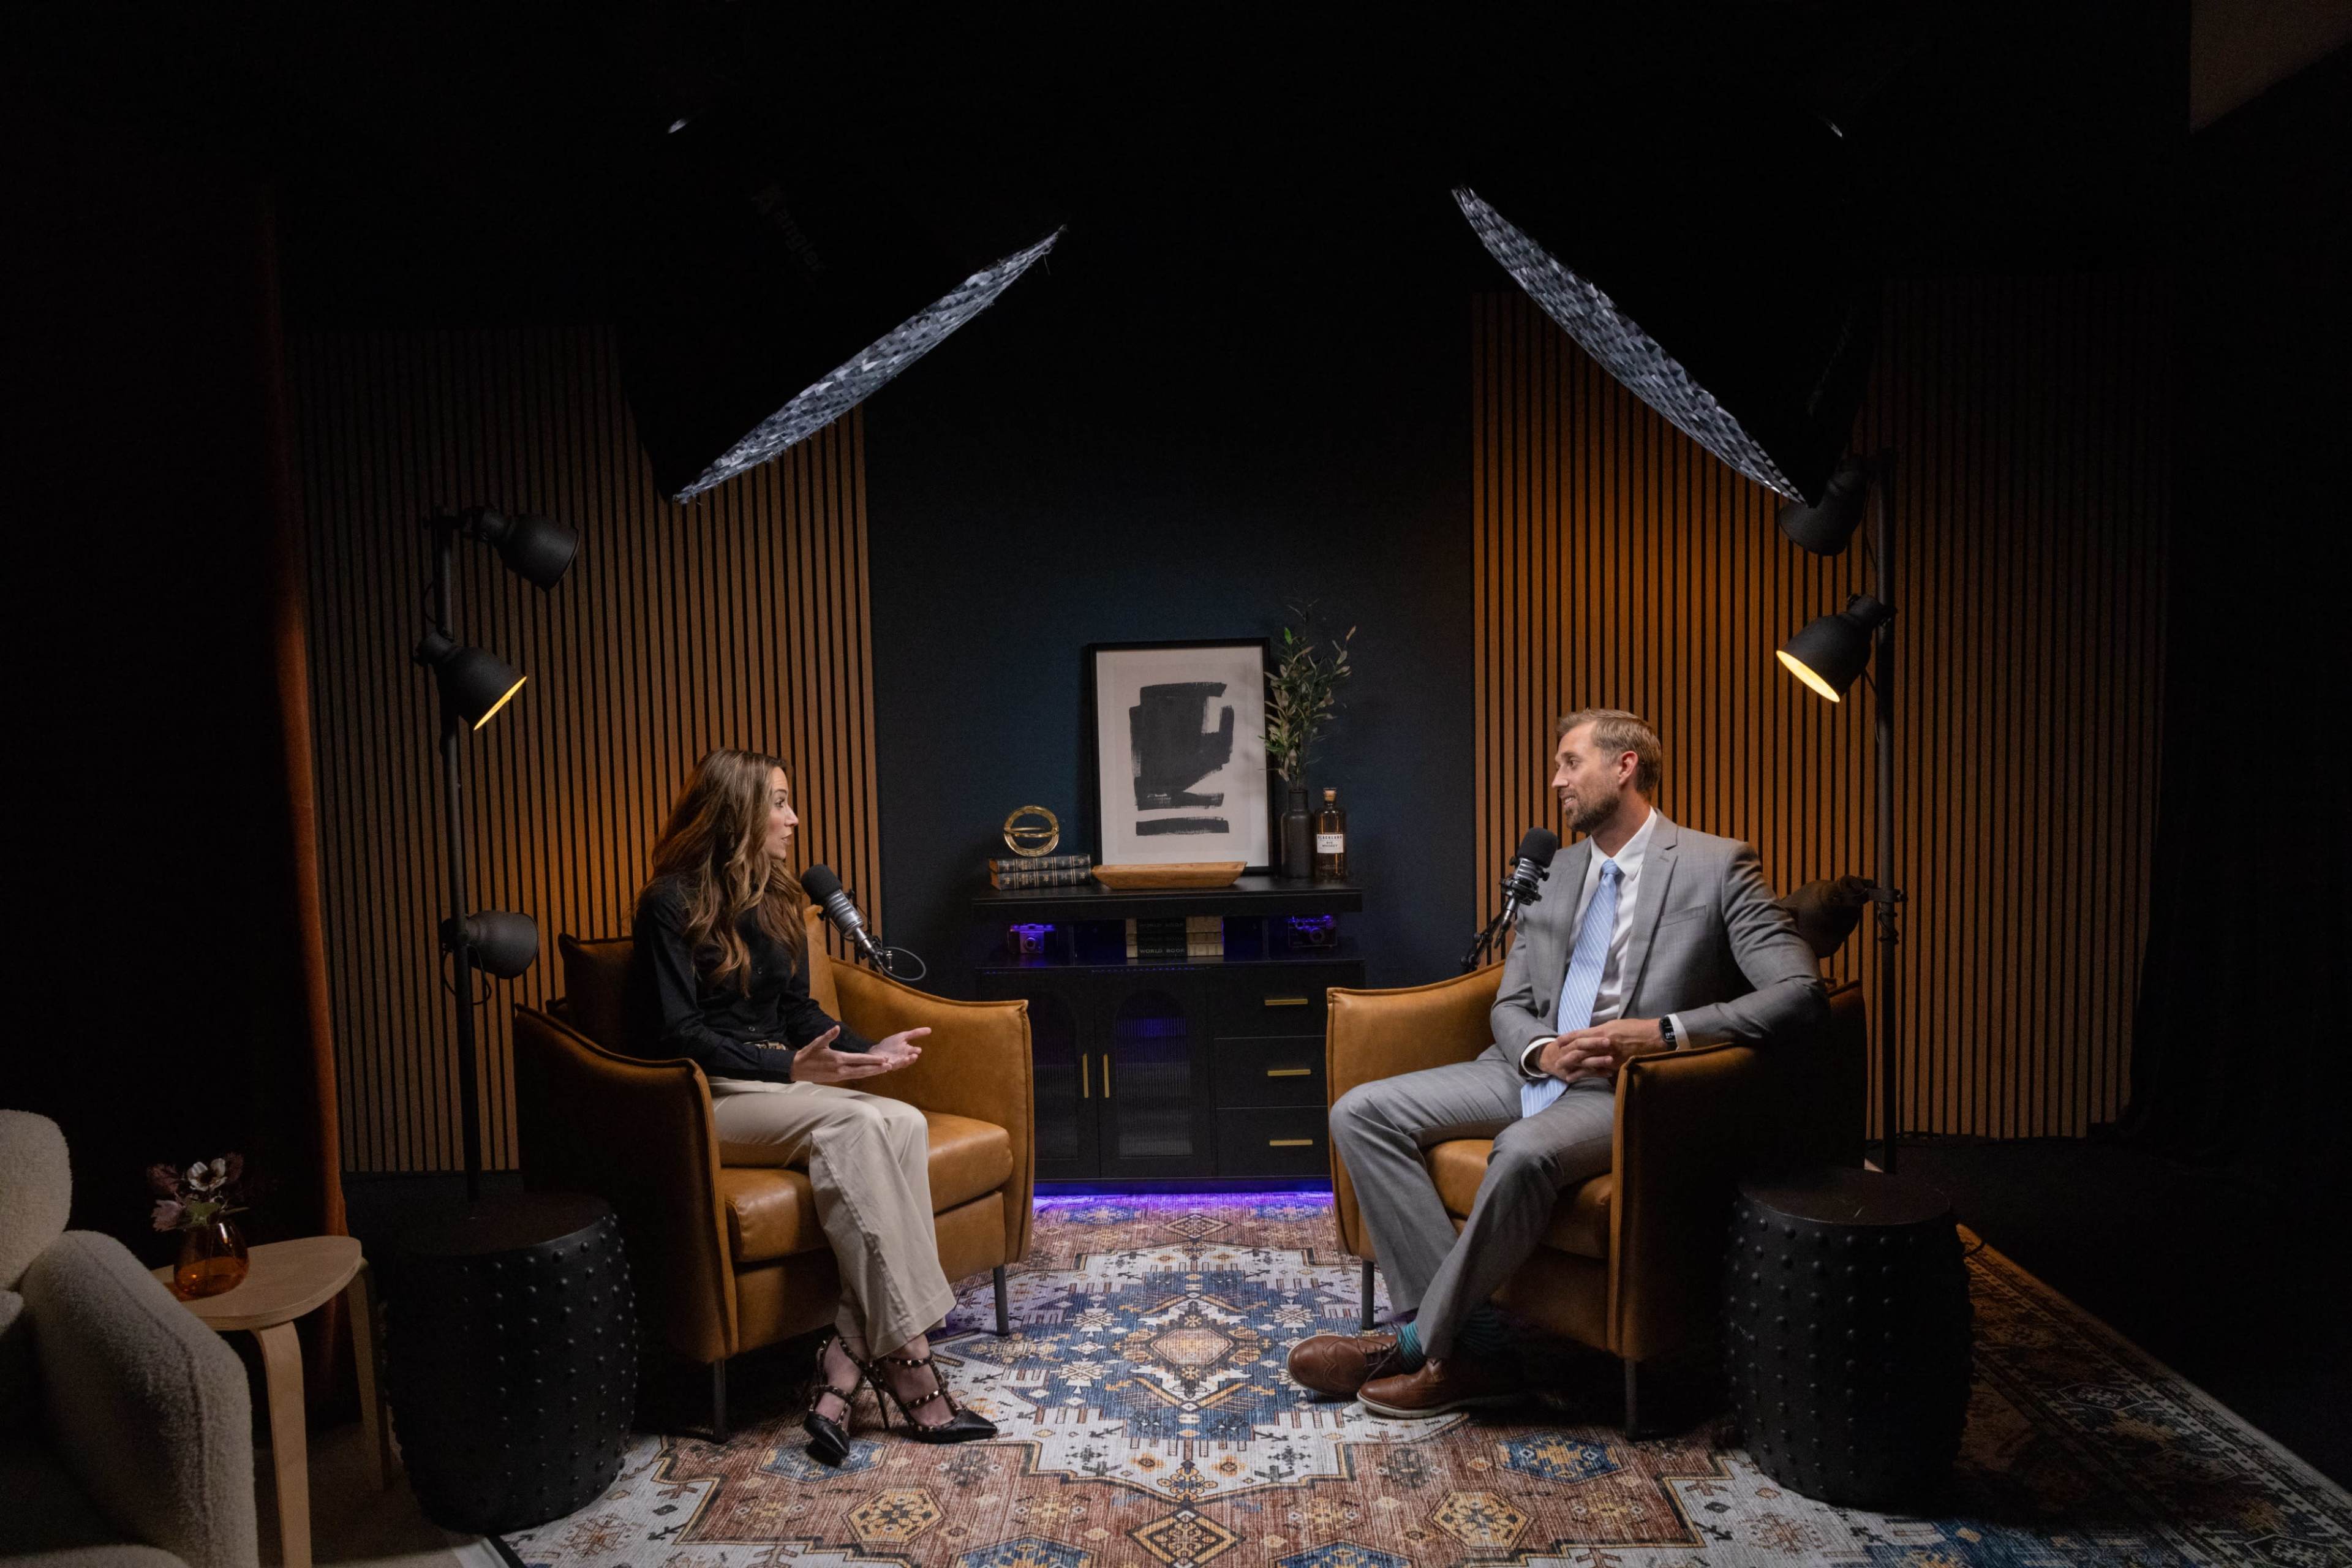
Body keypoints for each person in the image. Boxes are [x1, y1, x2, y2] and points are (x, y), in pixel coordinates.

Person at [1288, 709, 1826, 1418]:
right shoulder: (1555, 869)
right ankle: (1474, 1347)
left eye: (1571, 762)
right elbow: (1510, 1003)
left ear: (1625, 765)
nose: (1556, 780)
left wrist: (1663, 1034)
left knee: (1518, 1154)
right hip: (1528, 1069)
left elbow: (1799, 993)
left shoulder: (1717, 864)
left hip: (1631, 1088)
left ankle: (1420, 1345)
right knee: (1359, 1111)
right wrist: (1543, 1048)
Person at [631, 747, 995, 1463]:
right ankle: (910, 1363)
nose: (794, 818)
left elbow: (798, 1009)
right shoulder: (668, 902)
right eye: (779, 802)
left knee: (905, 1118)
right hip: (709, 1096)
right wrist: (785, 1065)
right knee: (858, 1122)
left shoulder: (779, 897)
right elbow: (678, 1033)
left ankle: (846, 1359)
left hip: (783, 1086)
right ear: (735, 811)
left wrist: (867, 1052)